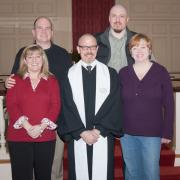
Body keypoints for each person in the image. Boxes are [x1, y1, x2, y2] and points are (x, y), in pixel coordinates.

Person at [5, 16, 72, 180]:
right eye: (39, 28)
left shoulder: (62, 54)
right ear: (33, 32)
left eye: (47, 27)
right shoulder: (23, 52)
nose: (43, 31)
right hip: (23, 126)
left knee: (52, 169)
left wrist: (46, 124)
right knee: (25, 171)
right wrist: (8, 82)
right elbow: (15, 81)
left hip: (53, 121)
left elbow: (69, 88)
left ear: (52, 32)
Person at [57, 33, 123, 180]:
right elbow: (65, 106)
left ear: (97, 49)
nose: (89, 50)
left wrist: (99, 130)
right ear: (78, 49)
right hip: (78, 135)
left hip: (102, 134)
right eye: (84, 47)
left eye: (92, 47)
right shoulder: (67, 75)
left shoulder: (110, 74)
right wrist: (81, 132)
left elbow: (115, 104)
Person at [119, 33, 174, 180]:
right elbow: (118, 104)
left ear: (150, 50)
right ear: (130, 51)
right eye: (135, 47)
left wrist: (168, 132)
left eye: (143, 47)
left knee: (151, 173)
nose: (139, 51)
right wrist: (117, 128)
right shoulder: (123, 73)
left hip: (152, 134)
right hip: (127, 133)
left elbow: (169, 105)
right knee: (131, 173)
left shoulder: (161, 72)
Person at [6, 44, 61, 180]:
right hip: (19, 136)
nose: (35, 60)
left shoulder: (52, 80)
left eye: (38, 56)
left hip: (45, 136)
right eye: (30, 57)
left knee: (44, 176)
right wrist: (29, 127)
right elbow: (12, 105)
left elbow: (55, 105)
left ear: (43, 60)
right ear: (25, 60)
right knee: (21, 176)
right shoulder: (14, 79)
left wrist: (41, 127)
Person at [95, 4, 136, 72]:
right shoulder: (96, 39)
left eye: (121, 16)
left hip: (130, 81)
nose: (117, 20)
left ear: (127, 19)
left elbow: (150, 63)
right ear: (109, 19)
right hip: (105, 81)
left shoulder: (138, 39)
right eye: (114, 16)